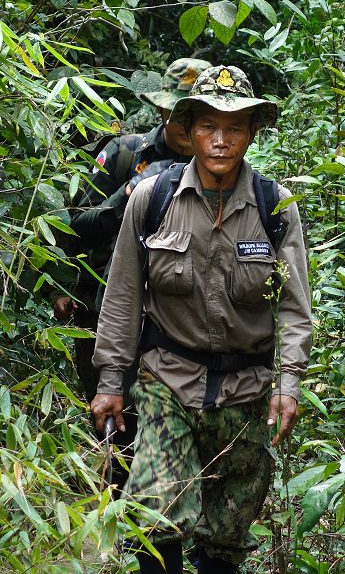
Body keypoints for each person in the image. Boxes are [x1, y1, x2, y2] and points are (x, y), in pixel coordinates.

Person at [89, 65, 313, 573]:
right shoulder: (153, 199)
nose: (220, 140)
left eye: (234, 127)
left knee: (226, 539)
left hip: (247, 390)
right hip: (167, 378)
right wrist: (110, 380)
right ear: (189, 132)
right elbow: (123, 294)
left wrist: (289, 383)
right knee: (157, 513)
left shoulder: (275, 208)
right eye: (209, 126)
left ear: (252, 133)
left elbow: (295, 306)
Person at [49, 59, 211, 459]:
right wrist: (130, 196)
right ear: (161, 110)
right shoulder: (124, 152)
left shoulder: (220, 167)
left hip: (181, 318)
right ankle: (115, 507)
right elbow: (74, 225)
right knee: (114, 423)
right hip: (108, 307)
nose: (190, 128)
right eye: (180, 115)